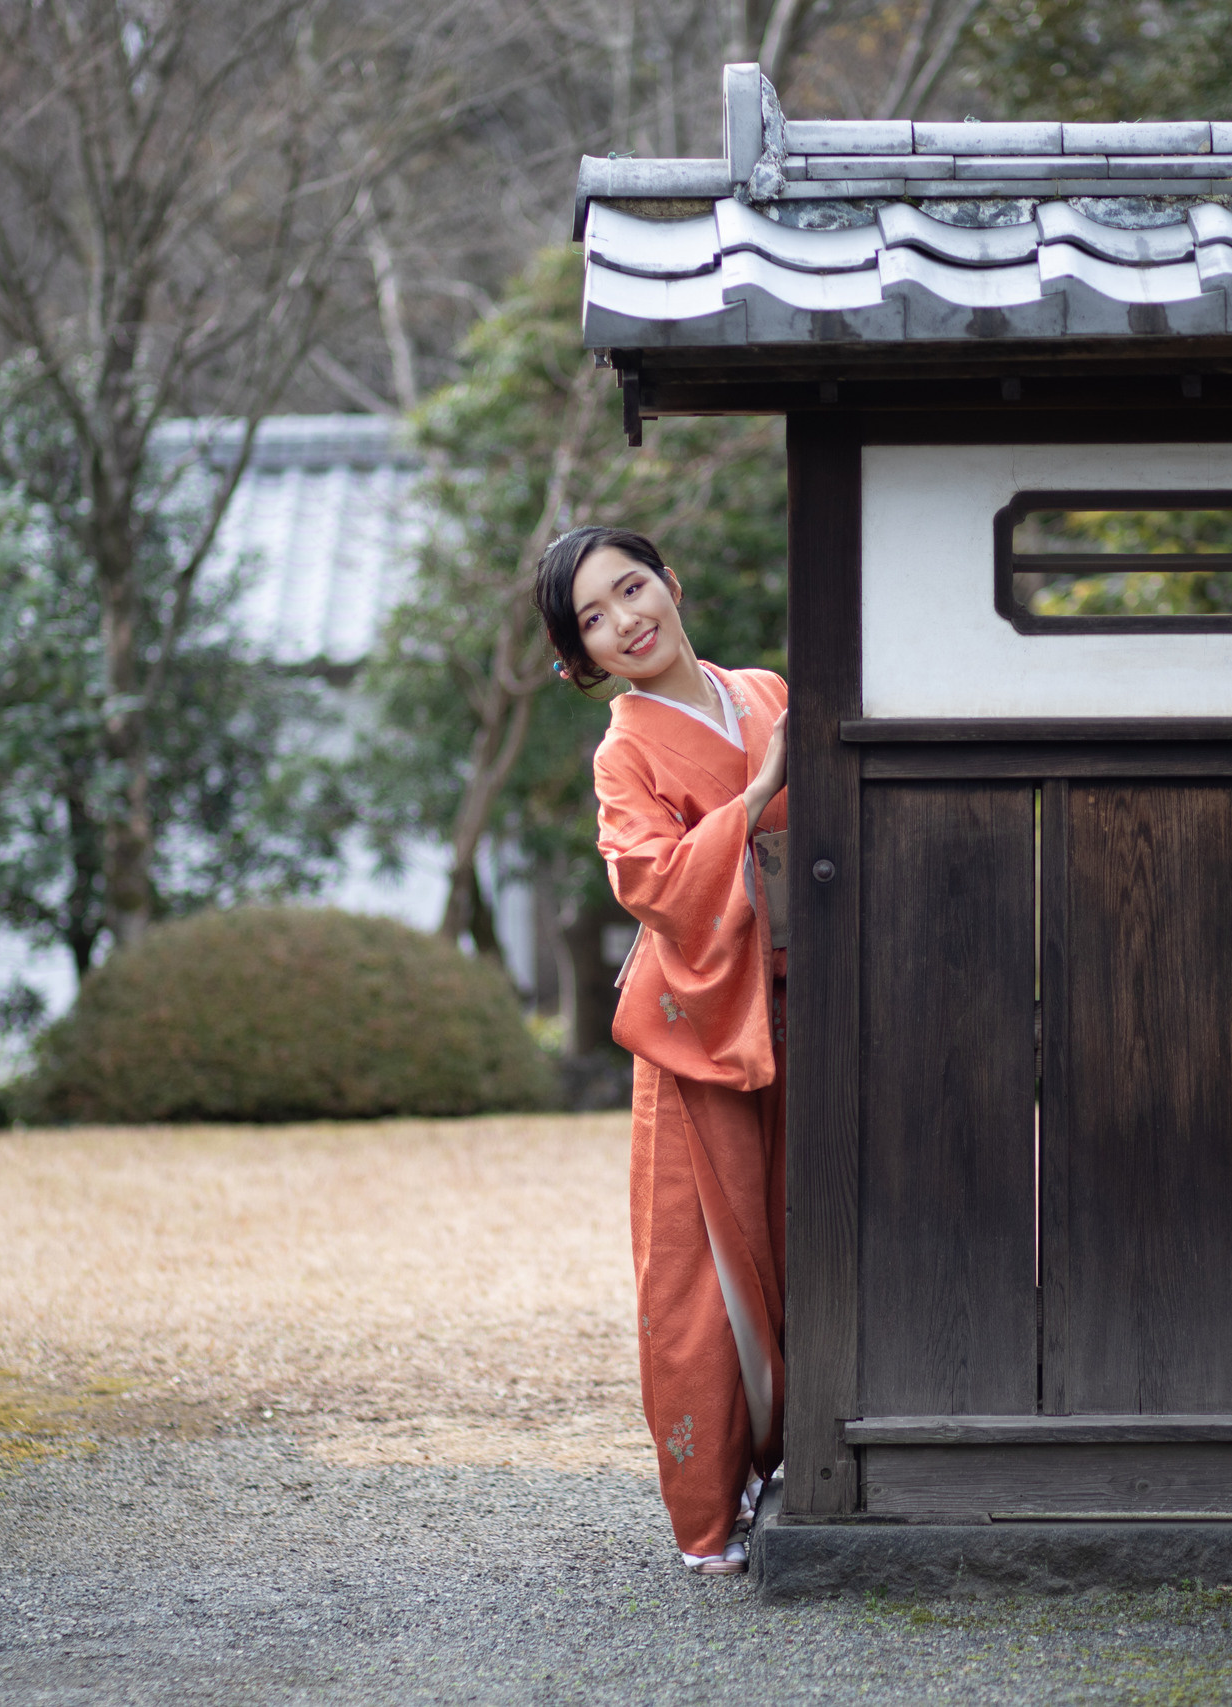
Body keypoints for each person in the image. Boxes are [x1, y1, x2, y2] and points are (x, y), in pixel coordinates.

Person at [532, 525, 788, 1577]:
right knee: (697, 1268)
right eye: (593, 618)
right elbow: (645, 880)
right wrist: (758, 796)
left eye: (630, 589)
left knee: (799, 1227)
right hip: (698, 1023)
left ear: (671, 584)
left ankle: (803, 1458)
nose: (624, 620)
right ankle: (707, 1502)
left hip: (804, 1003)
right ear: (582, 660)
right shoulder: (625, 747)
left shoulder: (767, 690)